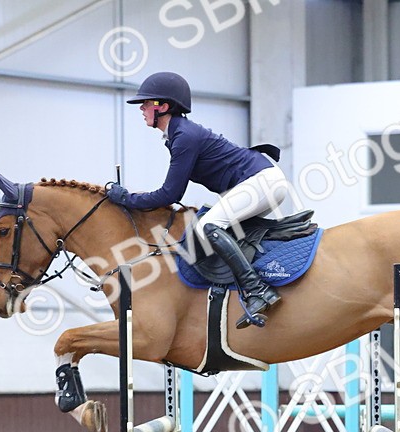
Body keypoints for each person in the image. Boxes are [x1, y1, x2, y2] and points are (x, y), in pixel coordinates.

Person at [107, 71, 288, 328]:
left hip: (260, 183)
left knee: (207, 227)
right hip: (261, 182)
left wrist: (127, 198)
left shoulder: (184, 137)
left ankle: (257, 289)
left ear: (164, 107)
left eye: (147, 103)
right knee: (212, 225)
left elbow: (170, 194)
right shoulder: (177, 135)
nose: (142, 108)